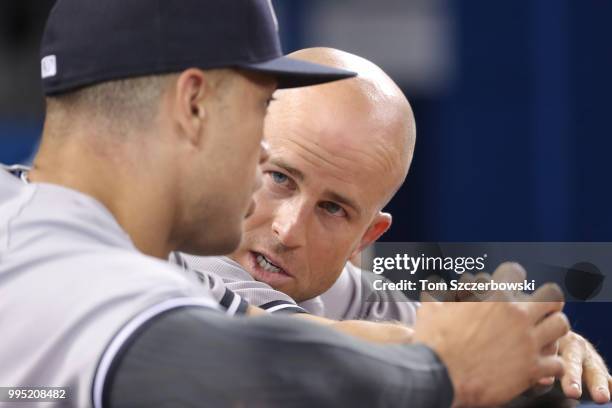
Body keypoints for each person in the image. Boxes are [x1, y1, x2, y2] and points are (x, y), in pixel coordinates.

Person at [0, 1, 572, 407]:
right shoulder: (51, 257)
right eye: (258, 110)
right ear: (194, 105)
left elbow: (264, 333)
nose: (262, 147)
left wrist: (524, 340)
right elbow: (249, 369)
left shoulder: (97, 240)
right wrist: (447, 372)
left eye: (333, 209)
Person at [176, 47, 612, 404]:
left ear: (365, 239)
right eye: (280, 178)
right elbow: (304, 342)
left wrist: (547, 348)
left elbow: (433, 334)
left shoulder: (343, 293)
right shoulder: (171, 258)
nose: (288, 231)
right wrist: (481, 350)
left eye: (333, 210)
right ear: (235, 155)